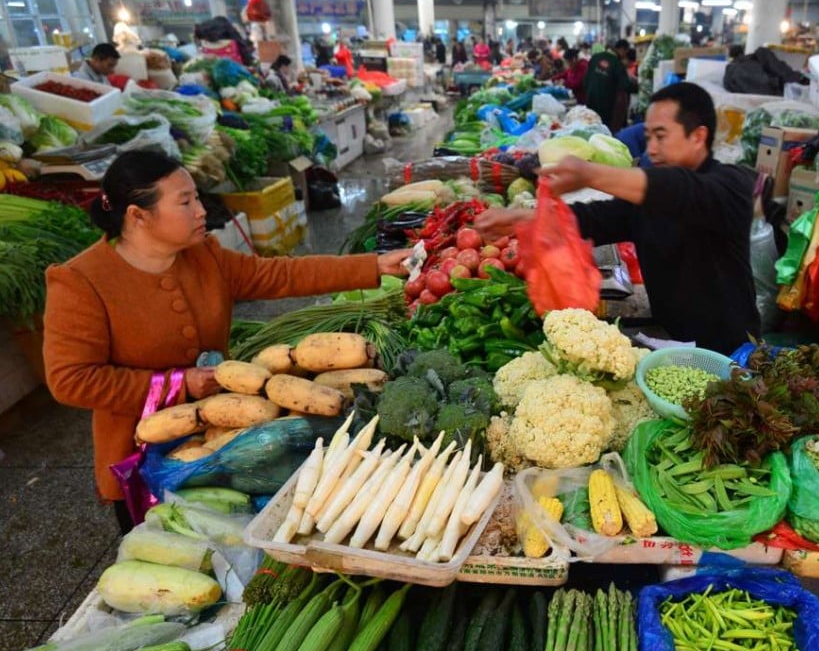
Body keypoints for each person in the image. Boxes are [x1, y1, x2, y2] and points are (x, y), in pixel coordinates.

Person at [43, 150, 411, 533]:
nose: (202, 210)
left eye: (197, 197)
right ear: (138, 215)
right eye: (185, 202)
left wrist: (374, 265)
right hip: (141, 456)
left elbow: (279, 275)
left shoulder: (204, 255)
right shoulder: (80, 282)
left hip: (227, 434)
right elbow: (70, 380)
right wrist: (178, 384)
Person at [475, 83, 760, 354]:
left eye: (661, 136)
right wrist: (519, 218)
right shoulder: (643, 203)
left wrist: (590, 174)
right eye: (648, 137)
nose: (651, 149)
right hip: (670, 344)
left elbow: (679, 189)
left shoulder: (731, 185)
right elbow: (591, 219)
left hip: (731, 354)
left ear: (698, 136)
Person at [584, 44, 637, 132]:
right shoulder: (617, 64)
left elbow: (585, 81)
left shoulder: (594, 58)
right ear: (620, 51)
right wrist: (639, 86)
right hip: (606, 105)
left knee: (590, 127)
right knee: (603, 131)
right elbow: (626, 85)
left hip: (590, 100)